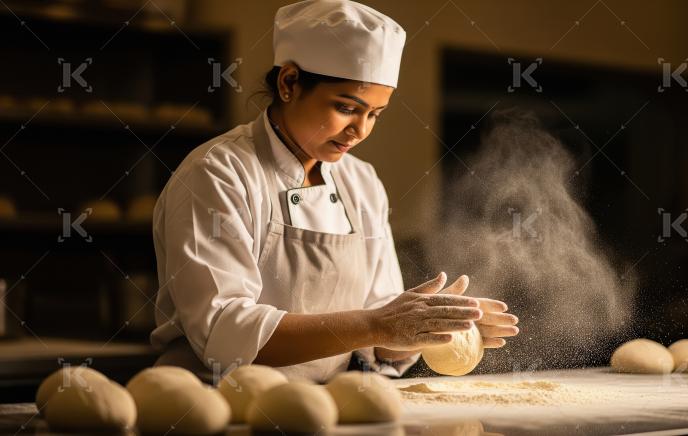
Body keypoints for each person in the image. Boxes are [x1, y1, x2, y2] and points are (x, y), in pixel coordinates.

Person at [150, 0, 519, 383]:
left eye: (375, 114)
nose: (360, 130)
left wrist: (428, 326)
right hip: (218, 402)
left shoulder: (361, 183)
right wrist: (379, 324)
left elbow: (379, 340)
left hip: (328, 407)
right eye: (347, 108)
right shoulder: (219, 172)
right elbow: (224, 332)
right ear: (289, 83)